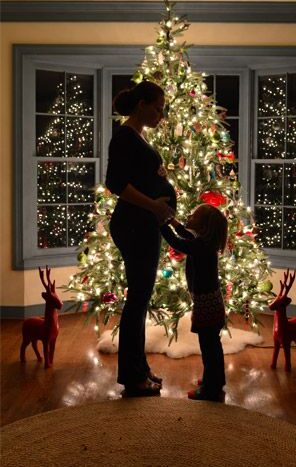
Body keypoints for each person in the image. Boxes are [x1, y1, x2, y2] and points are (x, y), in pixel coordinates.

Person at [105, 81, 176, 397]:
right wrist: (154, 205)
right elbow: (116, 184)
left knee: (141, 299)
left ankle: (140, 369)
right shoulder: (123, 137)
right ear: (141, 104)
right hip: (133, 225)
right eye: (158, 108)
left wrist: (161, 203)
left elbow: (145, 180)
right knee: (137, 301)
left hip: (144, 224)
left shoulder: (137, 137)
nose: (161, 115)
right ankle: (133, 378)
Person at [161, 204, 228, 401]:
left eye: (194, 215)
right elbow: (185, 234)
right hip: (211, 303)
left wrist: (161, 224)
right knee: (213, 346)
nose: (190, 215)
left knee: (209, 348)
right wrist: (172, 222)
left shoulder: (200, 246)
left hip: (206, 305)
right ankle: (216, 379)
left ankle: (210, 389)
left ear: (203, 225)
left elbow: (176, 241)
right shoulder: (204, 242)